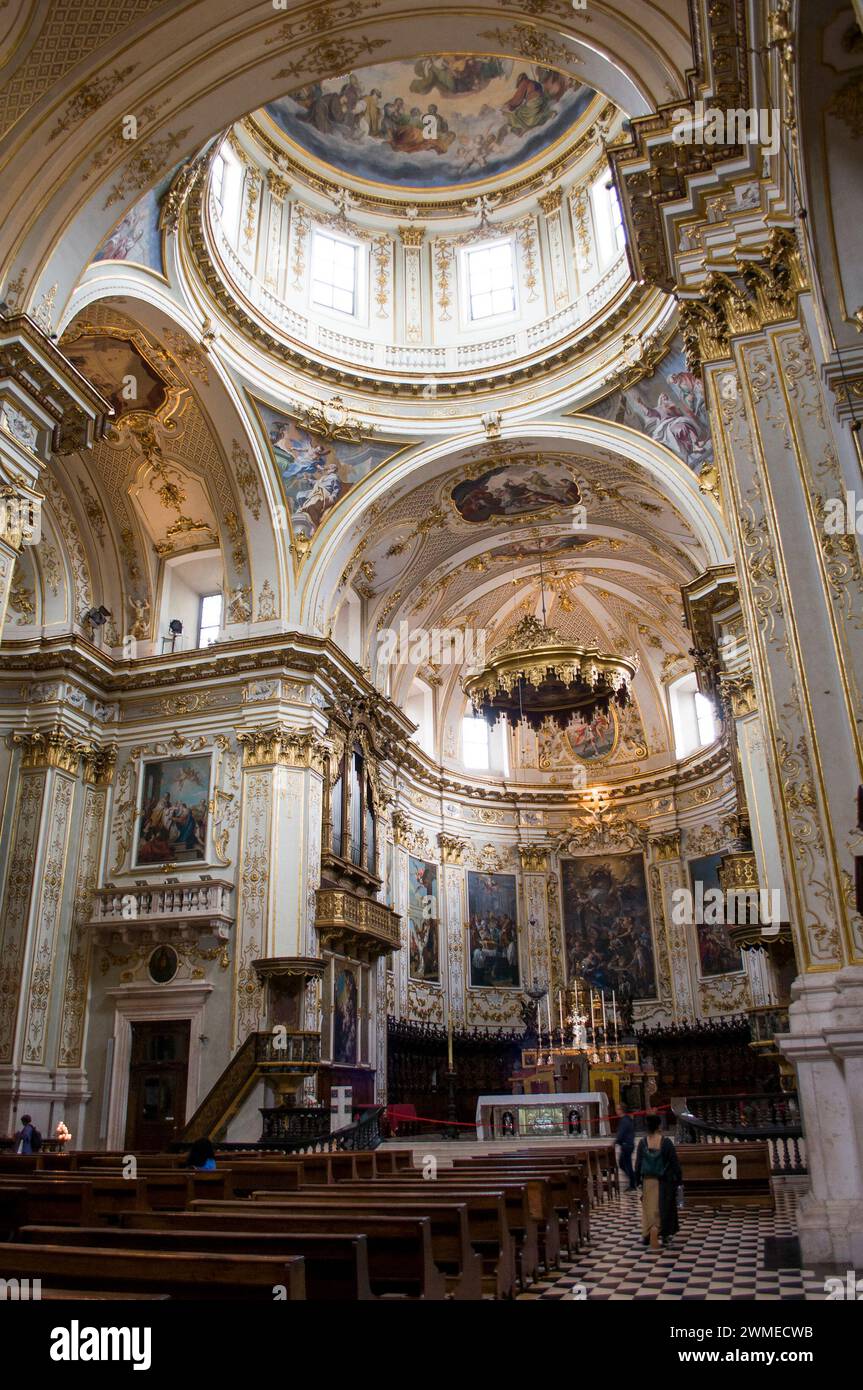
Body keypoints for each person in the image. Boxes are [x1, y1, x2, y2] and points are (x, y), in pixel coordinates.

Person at [635, 1113, 683, 1248]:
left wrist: (637, 1180)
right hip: (664, 1180)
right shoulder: (666, 1142)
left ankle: (647, 1234)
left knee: (649, 1209)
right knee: (665, 1208)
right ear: (659, 1126)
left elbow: (638, 1164)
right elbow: (675, 1164)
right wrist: (679, 1180)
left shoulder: (642, 1143)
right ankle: (666, 1235)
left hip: (648, 1181)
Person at [614, 1104, 637, 1191]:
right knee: (623, 1164)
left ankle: (634, 1182)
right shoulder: (627, 1119)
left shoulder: (624, 1120)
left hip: (626, 1145)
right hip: (628, 1144)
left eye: (618, 1109)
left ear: (621, 1110)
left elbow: (621, 1133)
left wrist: (616, 1141)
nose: (616, 1111)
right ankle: (634, 1179)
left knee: (626, 1165)